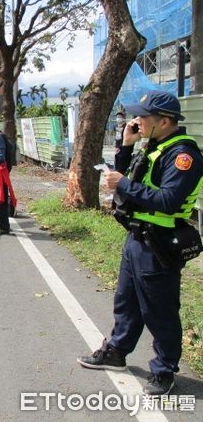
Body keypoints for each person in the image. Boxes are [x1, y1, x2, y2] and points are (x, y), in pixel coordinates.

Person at [77, 91, 203, 395]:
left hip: (158, 244)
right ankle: (117, 352)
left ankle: (164, 370)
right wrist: (125, 145)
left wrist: (123, 183)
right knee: (126, 302)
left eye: (142, 117)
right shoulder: (154, 147)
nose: (136, 121)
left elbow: (169, 201)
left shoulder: (183, 155)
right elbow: (130, 180)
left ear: (164, 121)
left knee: (159, 310)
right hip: (136, 238)